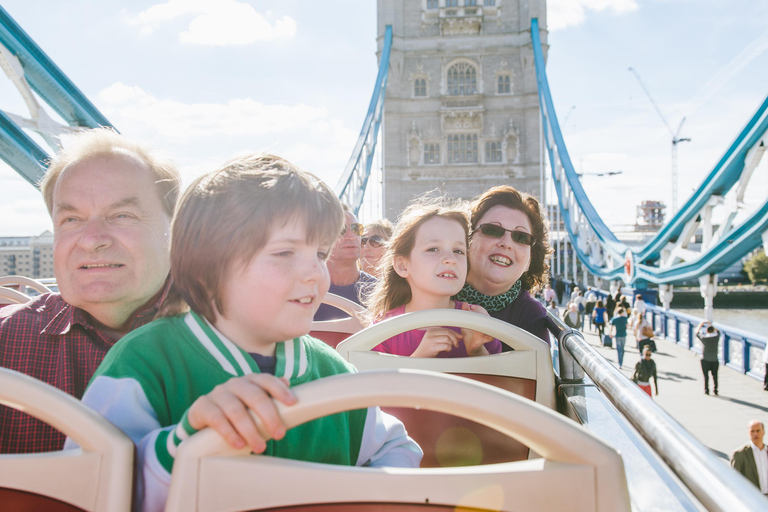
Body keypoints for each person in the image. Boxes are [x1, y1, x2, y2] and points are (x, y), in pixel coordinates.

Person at [69, 154, 422, 512]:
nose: (314, 273)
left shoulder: (333, 372)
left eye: (319, 253)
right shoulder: (144, 362)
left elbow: (397, 449)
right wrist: (180, 443)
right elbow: (84, 486)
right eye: (284, 252)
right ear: (208, 268)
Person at [0, 128, 181, 454]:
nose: (92, 238)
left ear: (176, 230)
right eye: (71, 219)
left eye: (122, 215)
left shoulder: (242, 341)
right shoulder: (6, 341)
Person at [366, 197, 500, 358]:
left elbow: (501, 382)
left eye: (458, 251)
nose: (450, 259)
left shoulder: (478, 323)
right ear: (402, 266)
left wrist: (477, 350)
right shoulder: (383, 329)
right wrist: (419, 357)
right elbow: (376, 382)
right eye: (433, 249)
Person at [455, 186, 553, 345]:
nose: (506, 244)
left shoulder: (531, 316)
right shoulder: (429, 294)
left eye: (521, 237)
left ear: (530, 260)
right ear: (466, 240)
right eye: (493, 230)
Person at [314, 205, 377, 320]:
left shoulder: (379, 292)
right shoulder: (304, 289)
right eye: (341, 230)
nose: (352, 237)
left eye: (356, 229)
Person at [730, 420, 767, 493]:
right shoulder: (740, 454)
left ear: (763, 432)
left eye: (758, 431)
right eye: (752, 431)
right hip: (753, 499)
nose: (755, 434)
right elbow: (735, 479)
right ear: (748, 433)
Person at [696, 321, 720, 395]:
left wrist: (701, 325)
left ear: (706, 331)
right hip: (714, 360)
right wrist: (711, 324)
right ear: (713, 330)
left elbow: (696, 333)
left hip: (705, 360)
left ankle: (706, 390)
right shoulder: (716, 338)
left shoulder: (704, 339)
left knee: (706, 376)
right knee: (715, 376)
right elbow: (719, 332)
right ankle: (715, 389)